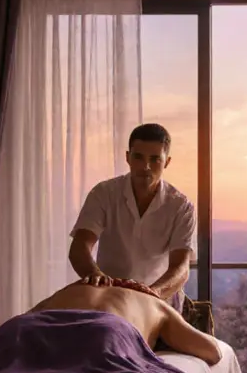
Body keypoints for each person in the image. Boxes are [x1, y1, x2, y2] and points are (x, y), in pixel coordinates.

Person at [70, 123, 196, 310]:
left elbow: (181, 268)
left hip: (160, 298)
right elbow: (80, 247)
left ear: (167, 162)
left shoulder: (181, 206)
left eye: (155, 160)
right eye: (138, 157)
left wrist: (153, 294)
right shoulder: (104, 193)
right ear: (128, 157)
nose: (146, 166)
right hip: (109, 294)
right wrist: (94, 274)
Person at [29, 278, 222, 366]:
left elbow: (23, 320)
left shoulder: (75, 288)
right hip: (105, 329)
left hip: (39, 327)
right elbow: (212, 352)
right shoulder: (155, 304)